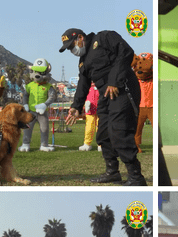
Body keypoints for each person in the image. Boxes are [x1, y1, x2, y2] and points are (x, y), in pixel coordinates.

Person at [60, 28, 147, 186]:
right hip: (105, 95)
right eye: (69, 49)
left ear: (80, 37)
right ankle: (112, 172)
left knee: (119, 130)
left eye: (72, 46)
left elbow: (126, 52)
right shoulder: (83, 61)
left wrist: (114, 80)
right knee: (103, 133)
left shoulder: (104, 38)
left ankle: (136, 176)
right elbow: (83, 83)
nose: (72, 50)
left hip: (123, 87)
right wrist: (76, 106)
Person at [79, 83, 100, 151]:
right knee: (89, 127)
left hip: (101, 111)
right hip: (90, 111)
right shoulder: (87, 87)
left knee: (100, 127)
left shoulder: (101, 85)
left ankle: (101, 144)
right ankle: (87, 143)